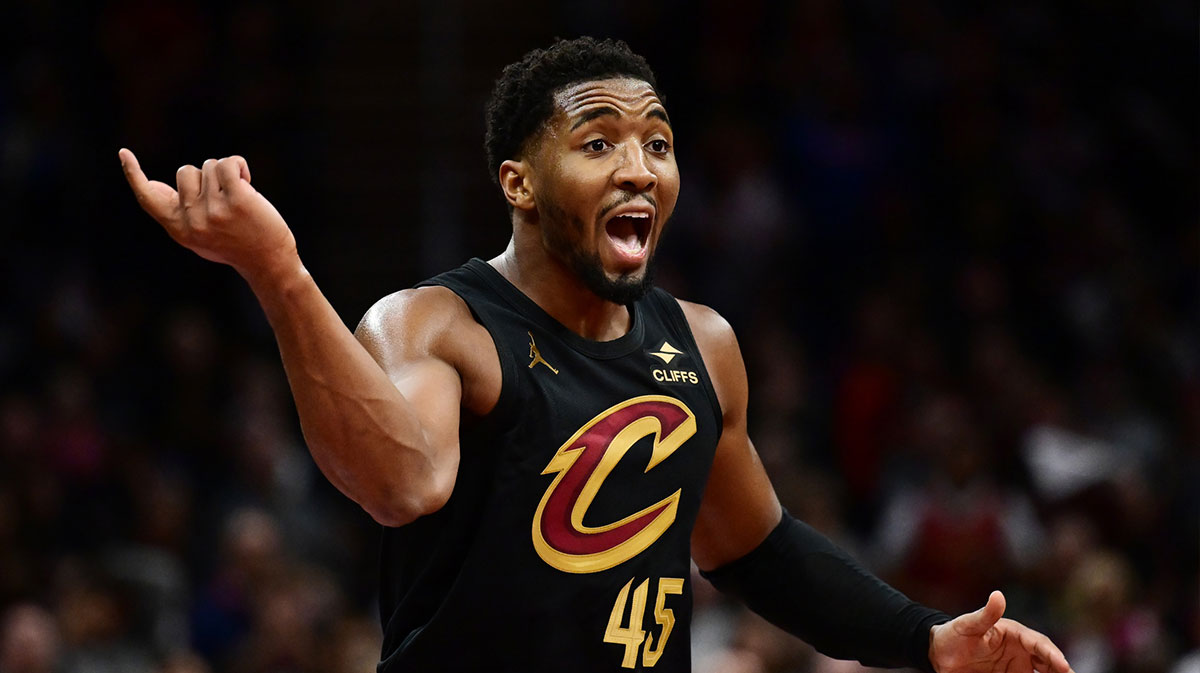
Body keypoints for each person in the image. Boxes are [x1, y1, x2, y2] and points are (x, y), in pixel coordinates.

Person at [120, 36, 1073, 673]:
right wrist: (278, 271)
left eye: (657, 141)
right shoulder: (436, 324)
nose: (639, 166)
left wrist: (925, 640)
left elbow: (757, 550)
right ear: (520, 184)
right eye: (601, 140)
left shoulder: (703, 343)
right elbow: (401, 480)